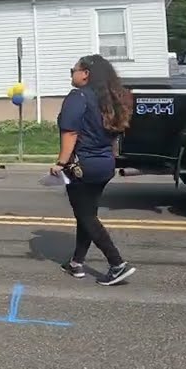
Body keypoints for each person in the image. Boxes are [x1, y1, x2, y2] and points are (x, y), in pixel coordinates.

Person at [51, 53, 137, 286]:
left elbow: (70, 132)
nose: (72, 74)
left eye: (74, 70)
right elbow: (114, 135)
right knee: (87, 214)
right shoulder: (109, 100)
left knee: (86, 216)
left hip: (82, 165)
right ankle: (76, 263)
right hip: (105, 164)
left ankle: (117, 264)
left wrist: (61, 163)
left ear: (85, 74)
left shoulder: (77, 97)